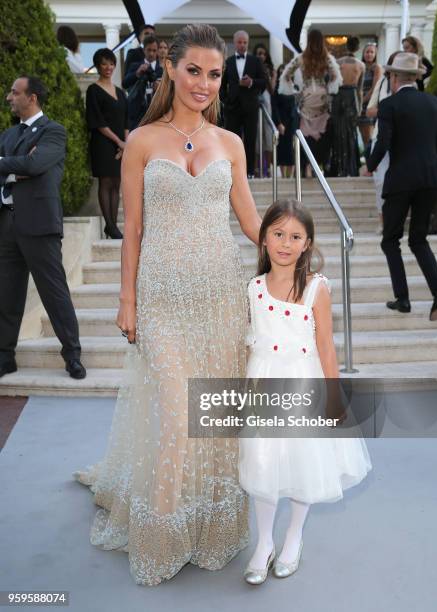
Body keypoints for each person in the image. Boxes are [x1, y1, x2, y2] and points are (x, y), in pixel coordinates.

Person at [73, 23, 262, 586]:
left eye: (214, 74)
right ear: (170, 69)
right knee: (178, 416)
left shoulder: (230, 143)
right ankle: (160, 534)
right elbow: (132, 231)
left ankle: (210, 527)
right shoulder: (141, 141)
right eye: (194, 71)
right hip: (161, 298)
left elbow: (251, 223)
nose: (204, 84)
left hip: (220, 298)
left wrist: (295, 248)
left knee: (210, 418)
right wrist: (126, 298)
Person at [239, 199, 372, 585]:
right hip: (264, 381)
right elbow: (252, 342)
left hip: (304, 379)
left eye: (295, 236)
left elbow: (327, 346)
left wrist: (334, 395)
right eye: (278, 234)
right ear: (263, 239)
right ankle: (263, 543)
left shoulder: (317, 289)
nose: (285, 242)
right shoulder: (254, 288)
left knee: (303, 460)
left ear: (307, 243)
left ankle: (293, 537)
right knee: (263, 460)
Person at [0, 76, 86, 380]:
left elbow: (35, 167)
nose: (9, 97)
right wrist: (17, 166)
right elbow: (23, 166)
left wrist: (14, 165)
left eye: (15, 92)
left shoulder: (53, 131)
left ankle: (73, 355)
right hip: (7, 223)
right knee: (7, 295)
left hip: (39, 224)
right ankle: (5, 358)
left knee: (54, 293)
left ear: (32, 97)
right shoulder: (8, 135)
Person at [366, 53, 437, 321]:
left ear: (395, 78)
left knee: (390, 239)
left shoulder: (389, 105)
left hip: (401, 181)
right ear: (415, 77)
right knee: (419, 239)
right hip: (430, 179)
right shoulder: (434, 103)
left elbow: (383, 142)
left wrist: (370, 165)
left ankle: (403, 299)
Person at [279, 30, 342, 178]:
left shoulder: (301, 58)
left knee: (305, 135)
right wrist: (328, 89)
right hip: (322, 98)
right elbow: (336, 76)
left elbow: (285, 75)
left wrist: (294, 90)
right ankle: (318, 166)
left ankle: (305, 166)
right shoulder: (326, 58)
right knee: (321, 135)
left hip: (306, 97)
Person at [86, 48, 128, 239]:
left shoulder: (120, 92)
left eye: (111, 63)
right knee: (106, 181)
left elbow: (126, 119)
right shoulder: (93, 90)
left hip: (121, 145)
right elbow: (97, 121)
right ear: (97, 66)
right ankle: (110, 225)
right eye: (104, 63)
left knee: (116, 182)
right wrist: (119, 141)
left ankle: (112, 226)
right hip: (103, 143)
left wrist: (125, 143)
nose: (108, 67)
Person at [220, 30, 266, 178]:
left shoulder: (255, 61)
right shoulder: (228, 62)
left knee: (250, 140)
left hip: (251, 107)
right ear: (235, 43)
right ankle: (232, 173)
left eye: (245, 42)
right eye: (239, 42)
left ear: (248, 43)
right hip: (232, 107)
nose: (242, 45)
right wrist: (225, 100)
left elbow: (264, 81)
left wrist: (252, 82)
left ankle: (250, 172)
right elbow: (222, 84)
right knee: (232, 142)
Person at [366, 51, 400, 233]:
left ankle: (396, 221)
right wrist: (387, 111)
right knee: (380, 183)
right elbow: (369, 111)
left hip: (403, 140)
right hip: (381, 138)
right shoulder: (382, 83)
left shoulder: (413, 86)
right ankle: (383, 222)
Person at [328, 35, 364, 177]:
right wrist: (360, 108)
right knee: (350, 132)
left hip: (339, 96)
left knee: (338, 132)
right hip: (352, 96)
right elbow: (360, 90)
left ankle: (338, 167)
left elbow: (331, 83)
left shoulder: (338, 62)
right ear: (357, 48)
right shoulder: (361, 65)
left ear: (346, 46)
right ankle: (350, 167)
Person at [122, 35, 163, 130]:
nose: (151, 54)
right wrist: (137, 73)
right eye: (149, 50)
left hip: (156, 115)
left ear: (157, 51)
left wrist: (160, 88)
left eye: (154, 50)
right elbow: (124, 83)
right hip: (137, 115)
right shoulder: (135, 66)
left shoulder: (162, 70)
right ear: (143, 50)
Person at [253, 43, 276, 177]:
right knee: (256, 137)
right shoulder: (251, 68)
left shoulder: (271, 70)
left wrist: (266, 75)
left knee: (268, 136)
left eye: (263, 53)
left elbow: (272, 89)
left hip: (267, 102)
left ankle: (269, 169)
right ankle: (256, 169)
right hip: (255, 101)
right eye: (258, 53)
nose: (261, 56)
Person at [271, 64, 298, 178]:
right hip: (281, 122)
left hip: (292, 121)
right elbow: (275, 107)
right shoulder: (277, 89)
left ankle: (291, 175)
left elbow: (296, 106)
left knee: (292, 148)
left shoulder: (294, 87)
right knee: (282, 148)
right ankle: (283, 175)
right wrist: (279, 123)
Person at [358, 42, 383, 150]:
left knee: (369, 138)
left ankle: (371, 164)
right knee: (363, 137)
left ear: (375, 54)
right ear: (363, 54)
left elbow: (374, 89)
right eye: (367, 52)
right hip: (359, 105)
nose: (369, 54)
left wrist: (361, 101)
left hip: (369, 105)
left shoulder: (377, 67)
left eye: (372, 52)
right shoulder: (361, 67)